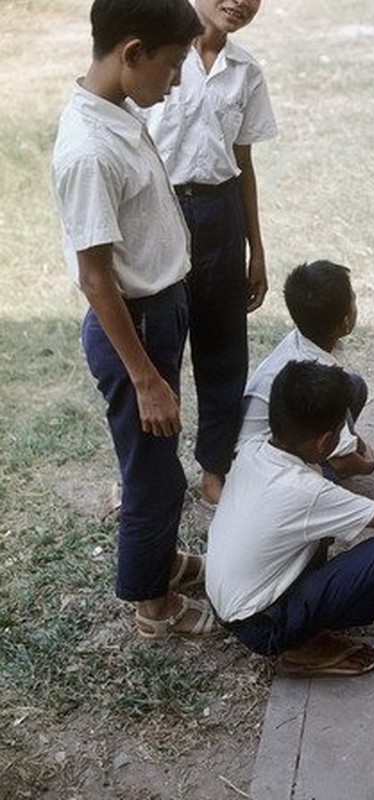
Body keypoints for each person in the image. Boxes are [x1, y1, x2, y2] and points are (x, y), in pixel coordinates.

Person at [51, 0, 218, 638]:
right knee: (154, 475)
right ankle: (152, 604)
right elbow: (96, 278)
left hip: (156, 311)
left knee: (154, 459)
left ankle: (163, 561)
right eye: (173, 64)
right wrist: (146, 377)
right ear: (132, 53)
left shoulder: (116, 110)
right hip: (134, 324)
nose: (176, 79)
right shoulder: (88, 150)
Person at [143, 0, 277, 507]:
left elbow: (244, 162)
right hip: (163, 209)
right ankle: (157, 473)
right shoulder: (156, 56)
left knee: (224, 350)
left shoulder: (245, 71)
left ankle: (214, 466)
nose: (240, 3)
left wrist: (256, 247)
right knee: (162, 345)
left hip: (222, 212)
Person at [206, 360, 374, 674]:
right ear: (325, 441)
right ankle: (301, 647)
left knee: (326, 495)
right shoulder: (310, 492)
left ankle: (300, 615)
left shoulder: (253, 448)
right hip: (263, 628)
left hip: (225, 602)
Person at [238, 260, 374, 479]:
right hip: (262, 470)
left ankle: (326, 454)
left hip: (262, 448)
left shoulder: (299, 340)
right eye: (354, 300)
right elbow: (345, 464)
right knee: (327, 476)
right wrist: (369, 464)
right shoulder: (319, 369)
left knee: (353, 385)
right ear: (346, 322)